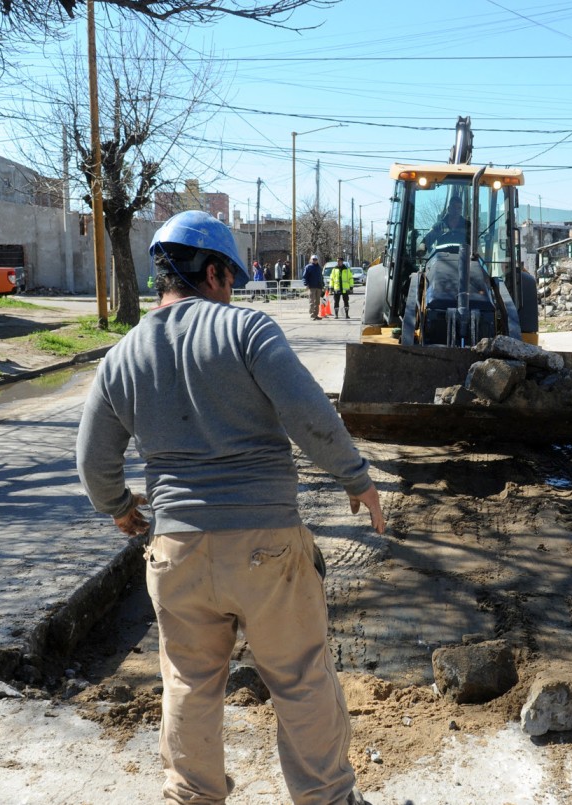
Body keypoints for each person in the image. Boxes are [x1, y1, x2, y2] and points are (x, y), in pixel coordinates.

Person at [76, 210, 384, 805]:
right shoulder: (247, 331)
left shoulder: (121, 356)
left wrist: (117, 507)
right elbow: (309, 415)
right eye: (231, 279)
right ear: (213, 272)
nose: (234, 291)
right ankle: (325, 797)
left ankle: (191, 797)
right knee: (298, 678)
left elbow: (93, 461)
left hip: (176, 549)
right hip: (265, 544)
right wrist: (356, 478)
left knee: (189, 682)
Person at [302, 254, 325, 319]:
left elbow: (321, 277)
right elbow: (304, 277)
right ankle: (312, 314)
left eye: (316, 259)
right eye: (313, 259)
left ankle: (316, 315)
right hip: (311, 286)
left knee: (317, 302)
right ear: (311, 260)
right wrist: (306, 284)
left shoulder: (319, 268)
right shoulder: (308, 267)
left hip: (318, 286)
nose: (315, 260)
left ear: (317, 260)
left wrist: (323, 285)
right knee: (312, 301)